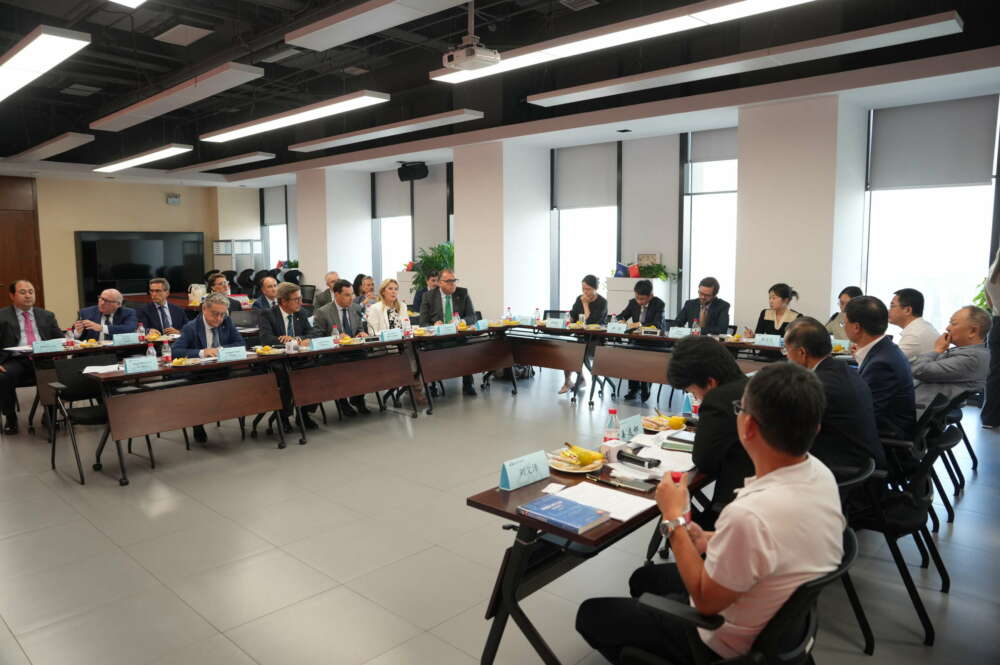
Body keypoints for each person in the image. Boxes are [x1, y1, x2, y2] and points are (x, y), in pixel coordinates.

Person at [577, 363, 844, 665]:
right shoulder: (821, 475)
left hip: (722, 643)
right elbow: (780, 538)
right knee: (644, 579)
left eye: (739, 409)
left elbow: (705, 601)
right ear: (815, 427)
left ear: (748, 426)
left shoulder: (750, 514)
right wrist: (711, 538)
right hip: (779, 624)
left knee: (591, 614)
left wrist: (674, 519)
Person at [666, 336, 750, 528]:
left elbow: (704, 460)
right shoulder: (750, 385)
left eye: (693, 392)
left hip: (737, 510)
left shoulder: (719, 400)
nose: (695, 398)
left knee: (680, 525)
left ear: (710, 382)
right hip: (765, 499)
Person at [784, 317, 886, 469]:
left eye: (786, 349)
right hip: (864, 462)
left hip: (847, 471)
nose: (786, 355)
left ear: (802, 352)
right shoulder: (843, 370)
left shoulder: (818, 385)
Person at [173, 292, 246, 443]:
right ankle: (197, 423)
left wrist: (221, 349)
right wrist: (202, 352)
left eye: (222, 314)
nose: (219, 319)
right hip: (198, 374)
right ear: (204, 310)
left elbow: (240, 343)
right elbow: (175, 351)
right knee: (200, 390)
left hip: (221, 369)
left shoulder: (227, 322)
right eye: (215, 314)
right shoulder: (191, 327)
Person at [844, 296, 915, 440]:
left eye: (844, 323)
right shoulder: (885, 349)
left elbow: (865, 413)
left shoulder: (882, 364)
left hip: (887, 436)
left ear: (856, 327)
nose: (843, 327)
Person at [0, 280, 62, 434]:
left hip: (42, 358)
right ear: (12, 295)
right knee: (3, 376)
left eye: (31, 292)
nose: (28, 295)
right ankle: (10, 416)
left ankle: (50, 414)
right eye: (22, 292)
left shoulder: (47, 315)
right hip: (15, 359)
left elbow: (60, 339)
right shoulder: (2, 316)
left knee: (56, 372)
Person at [911, 306, 991, 415]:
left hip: (914, 409)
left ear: (973, 331)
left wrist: (937, 350)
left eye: (953, 323)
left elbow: (918, 370)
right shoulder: (966, 352)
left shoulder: (971, 358)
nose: (947, 328)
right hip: (912, 402)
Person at [259, 282, 318, 430]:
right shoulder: (268, 314)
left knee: (318, 372)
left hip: (299, 358)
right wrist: (283, 341)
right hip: (278, 360)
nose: (300, 302)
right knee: (286, 375)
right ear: (283, 301)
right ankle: (283, 417)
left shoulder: (301, 313)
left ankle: (304, 414)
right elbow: (266, 338)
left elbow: (312, 333)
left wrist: (299, 339)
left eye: (300, 298)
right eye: (296, 299)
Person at [310, 279, 370, 416]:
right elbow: (316, 338)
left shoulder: (355, 308)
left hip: (354, 350)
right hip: (333, 354)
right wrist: (334, 339)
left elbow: (359, 329)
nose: (351, 298)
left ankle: (358, 398)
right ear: (336, 295)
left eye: (352, 295)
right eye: (347, 295)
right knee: (340, 366)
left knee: (366, 361)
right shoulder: (323, 312)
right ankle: (342, 401)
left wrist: (362, 333)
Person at [419, 268, 478, 396]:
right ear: (440, 283)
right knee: (432, 351)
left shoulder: (462, 293)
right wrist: (434, 325)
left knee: (467, 347)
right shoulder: (428, 296)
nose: (452, 284)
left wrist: (461, 321)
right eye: (448, 281)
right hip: (437, 338)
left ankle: (468, 384)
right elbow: (423, 323)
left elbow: (472, 316)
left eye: (454, 280)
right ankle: (432, 385)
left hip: (457, 335)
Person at [617, 279, 665, 401]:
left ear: (651, 296)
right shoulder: (633, 303)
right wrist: (621, 320)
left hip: (653, 342)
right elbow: (621, 316)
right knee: (630, 356)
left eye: (642, 299)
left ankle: (645, 384)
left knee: (645, 356)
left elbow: (657, 324)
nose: (639, 301)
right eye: (637, 297)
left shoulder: (659, 304)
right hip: (636, 340)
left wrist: (638, 325)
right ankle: (633, 388)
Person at [561, 275, 608, 394]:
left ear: (595, 288)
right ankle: (568, 381)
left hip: (595, 339)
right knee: (568, 350)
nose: (585, 292)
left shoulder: (602, 302)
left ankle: (581, 380)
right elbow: (573, 315)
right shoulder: (579, 298)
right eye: (583, 289)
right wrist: (568, 319)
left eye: (588, 289)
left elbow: (591, 322)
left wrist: (586, 304)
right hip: (581, 336)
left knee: (577, 352)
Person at [888, 288, 939, 361]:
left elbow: (889, 362)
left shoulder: (914, 335)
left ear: (907, 310)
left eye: (892, 306)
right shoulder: (922, 326)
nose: (888, 310)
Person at [984, 247, 1000, 429]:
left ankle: (990, 418)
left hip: (997, 324)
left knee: (995, 374)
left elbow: (989, 303)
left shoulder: (991, 276)